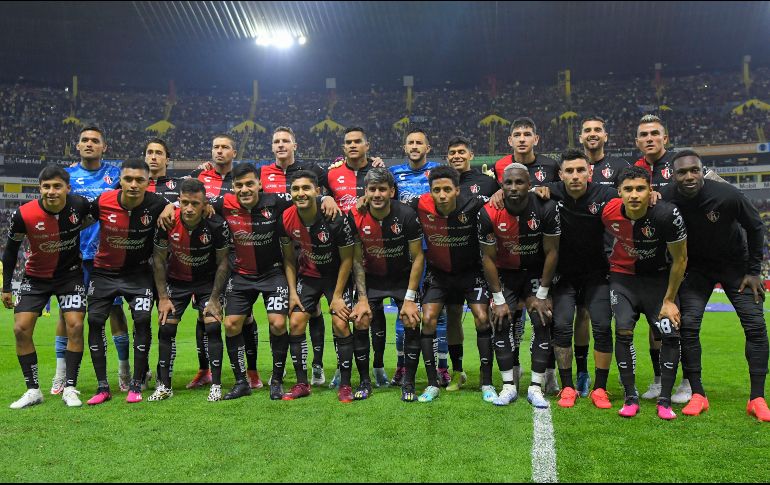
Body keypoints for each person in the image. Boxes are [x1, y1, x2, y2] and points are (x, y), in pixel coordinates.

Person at [660, 150, 769, 421]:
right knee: (689, 326)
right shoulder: (666, 196)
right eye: (682, 172)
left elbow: (756, 227)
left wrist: (754, 271)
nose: (689, 176)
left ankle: (757, 398)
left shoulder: (727, 195)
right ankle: (698, 394)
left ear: (702, 170)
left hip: (736, 267)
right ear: (673, 175)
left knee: (755, 326)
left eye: (694, 170)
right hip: (696, 269)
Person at [85, 159, 175, 405]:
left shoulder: (157, 203)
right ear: (120, 181)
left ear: (148, 182)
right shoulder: (103, 201)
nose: (134, 185)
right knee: (94, 321)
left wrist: (172, 207)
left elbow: (177, 205)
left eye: (139, 180)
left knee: (143, 320)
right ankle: (103, 386)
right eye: (128, 179)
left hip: (138, 275)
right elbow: (77, 221)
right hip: (104, 272)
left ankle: (137, 383)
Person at [2, 165, 93, 408]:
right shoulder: (23, 215)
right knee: (21, 329)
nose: (51, 191)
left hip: (70, 276)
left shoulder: (80, 205)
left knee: (75, 325)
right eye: (46, 187)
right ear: (39, 188)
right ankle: (33, 390)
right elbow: (10, 252)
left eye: (57, 186)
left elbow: (100, 213)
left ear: (67, 188)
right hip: (35, 278)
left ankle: (70, 387)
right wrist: (6, 287)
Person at [601, 165, 687, 419]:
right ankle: (630, 397)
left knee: (669, 334)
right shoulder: (608, 212)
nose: (634, 194)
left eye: (640, 188)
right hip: (623, 279)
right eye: (628, 189)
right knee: (623, 332)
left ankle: (665, 400)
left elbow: (680, 260)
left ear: (651, 190)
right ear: (619, 192)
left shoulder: (666, 214)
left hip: (657, 281)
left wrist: (669, 300)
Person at [533, 149, 617, 409]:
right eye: (569, 171)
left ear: (590, 172)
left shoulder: (605, 195)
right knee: (562, 327)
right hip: (565, 276)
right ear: (560, 175)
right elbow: (522, 193)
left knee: (602, 327)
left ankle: (600, 389)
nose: (575, 175)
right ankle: (567, 386)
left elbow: (630, 203)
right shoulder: (551, 191)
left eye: (581, 170)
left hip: (597, 275)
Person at [210, 163, 301, 400]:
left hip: (273, 274)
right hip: (241, 275)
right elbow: (197, 204)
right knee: (231, 325)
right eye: (239, 185)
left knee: (278, 324)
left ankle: (277, 381)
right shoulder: (223, 204)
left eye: (250, 183)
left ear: (259, 184)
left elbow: (306, 200)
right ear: (232, 187)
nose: (245, 189)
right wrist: (173, 210)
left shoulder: (277, 202)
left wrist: (327, 201)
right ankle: (241, 382)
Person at [257, 126, 338, 388]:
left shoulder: (312, 169)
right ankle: (279, 369)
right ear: (272, 147)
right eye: (276, 141)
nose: (281, 145)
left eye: (285, 141)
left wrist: (327, 196)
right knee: (286, 315)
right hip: (274, 251)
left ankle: (316, 365)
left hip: (309, 251)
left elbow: (334, 187)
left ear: (295, 145)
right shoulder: (262, 173)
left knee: (311, 311)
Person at [406, 166, 492, 403]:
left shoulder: (474, 204)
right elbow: (389, 201)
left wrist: (500, 194)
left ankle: (487, 382)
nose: (441, 195)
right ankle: (437, 381)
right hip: (439, 273)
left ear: (456, 190)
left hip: (470, 272)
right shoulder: (419, 204)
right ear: (430, 191)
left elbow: (501, 195)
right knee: (430, 318)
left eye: (446, 190)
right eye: (436, 190)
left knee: (482, 318)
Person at [57, 126, 132, 395]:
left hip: (106, 255)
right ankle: (61, 375)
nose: (89, 144)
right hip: (73, 255)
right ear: (77, 146)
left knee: (114, 311)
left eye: (95, 141)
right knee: (67, 313)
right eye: (84, 140)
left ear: (104, 147)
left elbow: (147, 177)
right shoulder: (67, 176)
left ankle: (124, 371)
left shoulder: (116, 174)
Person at [279, 171, 364, 403]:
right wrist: (293, 292)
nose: (300, 193)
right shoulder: (286, 217)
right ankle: (301, 383)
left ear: (318, 191)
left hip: (337, 277)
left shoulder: (334, 218)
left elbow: (348, 259)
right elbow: (288, 258)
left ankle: (345, 385)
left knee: (340, 322)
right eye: (295, 189)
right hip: (308, 276)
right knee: (295, 322)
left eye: (306, 188)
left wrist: (337, 296)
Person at [480, 163, 560, 408]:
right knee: (500, 320)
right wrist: (499, 299)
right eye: (508, 183)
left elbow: (552, 252)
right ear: (501, 185)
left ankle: (536, 387)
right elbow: (488, 258)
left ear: (529, 184)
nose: (513, 188)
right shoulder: (489, 212)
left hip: (535, 272)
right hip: (506, 274)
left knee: (542, 318)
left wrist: (543, 294)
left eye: (519, 182)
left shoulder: (547, 207)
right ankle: (508, 386)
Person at [490, 117, 561, 394]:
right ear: (510, 140)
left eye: (527, 134)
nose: (522, 138)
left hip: (539, 255)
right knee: (511, 322)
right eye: (517, 134)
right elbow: (498, 195)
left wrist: (547, 190)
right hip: (509, 259)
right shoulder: (499, 166)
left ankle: (549, 374)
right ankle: (514, 373)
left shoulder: (550, 165)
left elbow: (561, 190)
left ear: (536, 138)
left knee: (546, 316)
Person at [188, 133, 262, 390]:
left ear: (234, 152)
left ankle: (251, 372)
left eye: (225, 147)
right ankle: (204, 370)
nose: (219, 151)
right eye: (215, 147)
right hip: (208, 257)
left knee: (245, 316)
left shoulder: (242, 178)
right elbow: (185, 197)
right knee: (204, 315)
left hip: (238, 255)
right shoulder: (201, 177)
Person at [150, 178, 231, 402]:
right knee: (166, 328)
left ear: (205, 204)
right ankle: (164, 385)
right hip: (176, 282)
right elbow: (158, 260)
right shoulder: (167, 221)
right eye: (185, 202)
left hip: (206, 283)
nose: (189, 208)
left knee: (213, 326)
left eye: (195, 204)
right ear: (178, 201)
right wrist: (163, 298)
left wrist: (215, 299)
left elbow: (224, 262)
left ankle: (216, 384)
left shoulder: (216, 224)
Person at [352, 168, 424, 401]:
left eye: (382, 189)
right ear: (366, 191)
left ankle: (409, 383)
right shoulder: (356, 216)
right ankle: (365, 381)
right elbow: (355, 260)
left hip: (401, 278)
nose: (377, 194)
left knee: (411, 320)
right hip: (371, 279)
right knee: (362, 319)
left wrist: (411, 298)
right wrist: (362, 298)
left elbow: (418, 257)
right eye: (372, 189)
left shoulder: (406, 214)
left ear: (392, 191)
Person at [388, 128, 451, 388]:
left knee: (439, 314)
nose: (415, 146)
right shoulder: (394, 173)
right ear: (405, 148)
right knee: (405, 314)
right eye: (410, 142)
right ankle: (402, 366)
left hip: (435, 251)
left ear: (427, 147)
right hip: (405, 255)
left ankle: (442, 368)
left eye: (419, 143)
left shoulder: (438, 171)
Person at [573, 116, 630, 396]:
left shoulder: (620, 167)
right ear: (580, 137)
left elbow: (632, 199)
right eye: (587, 131)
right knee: (582, 314)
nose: (592, 134)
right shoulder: (572, 166)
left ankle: (622, 370)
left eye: (597, 130)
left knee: (618, 318)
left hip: (611, 256)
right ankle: (582, 372)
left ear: (606, 136)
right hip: (578, 257)